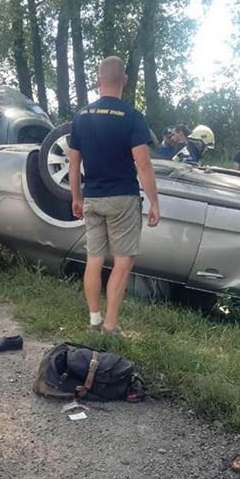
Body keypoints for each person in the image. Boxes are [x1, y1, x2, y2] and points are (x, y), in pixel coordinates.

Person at [68, 55, 161, 336]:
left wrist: (76, 197)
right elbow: (143, 164)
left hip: (93, 198)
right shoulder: (132, 117)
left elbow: (73, 164)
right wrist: (154, 201)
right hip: (123, 198)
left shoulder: (81, 116)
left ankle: (94, 321)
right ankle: (110, 325)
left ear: (98, 81)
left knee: (94, 259)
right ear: (124, 81)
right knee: (122, 261)